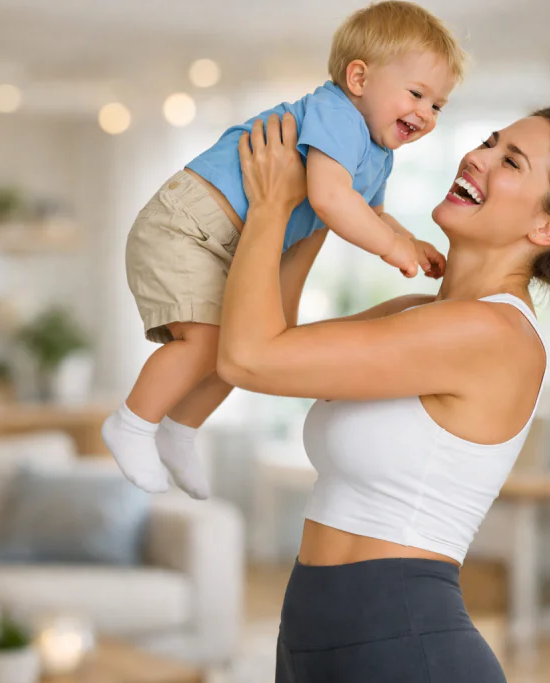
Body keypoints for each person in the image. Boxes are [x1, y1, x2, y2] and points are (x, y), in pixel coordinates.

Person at [220, 110, 550, 682]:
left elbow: (246, 357)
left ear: (549, 229)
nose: (477, 157)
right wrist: (318, 206)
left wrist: (269, 207)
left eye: (510, 161)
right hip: (314, 642)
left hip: (404, 648)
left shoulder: (493, 334)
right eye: (490, 141)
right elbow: (271, 339)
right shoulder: (422, 312)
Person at [102, 1, 465, 499]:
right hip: (186, 226)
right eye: (417, 94)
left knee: (241, 347)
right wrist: (390, 249)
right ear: (358, 78)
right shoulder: (337, 113)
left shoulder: (377, 155)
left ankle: (180, 428)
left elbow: (369, 212)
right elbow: (331, 199)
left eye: (438, 106)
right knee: (208, 342)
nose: (426, 114)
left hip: (226, 243)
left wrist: (408, 239)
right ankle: (133, 423)